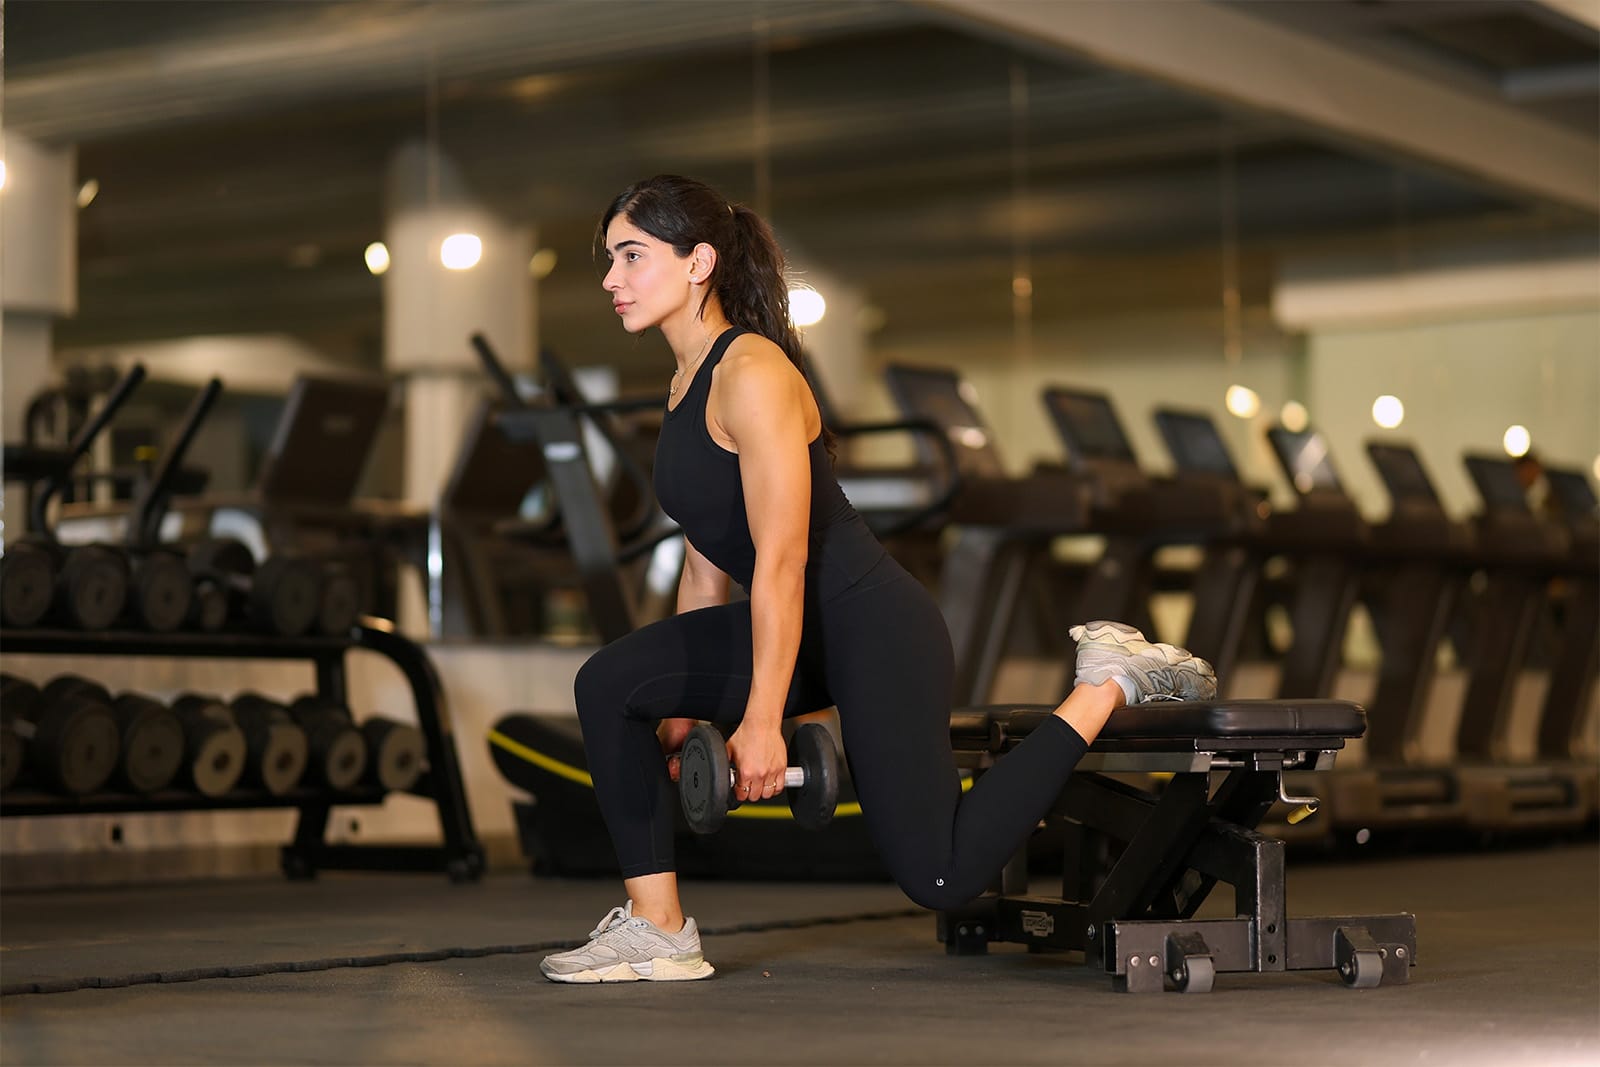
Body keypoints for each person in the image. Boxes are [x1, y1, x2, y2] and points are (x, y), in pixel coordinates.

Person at [540, 175, 1217, 983]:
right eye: (609, 259)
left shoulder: (752, 373)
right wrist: (684, 709)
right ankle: (660, 927)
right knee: (612, 682)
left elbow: (784, 560)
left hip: (873, 630)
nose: (611, 278)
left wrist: (761, 720)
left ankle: (1104, 683)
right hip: (800, 630)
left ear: (699, 263)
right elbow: (705, 560)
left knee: (940, 875)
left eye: (631, 256)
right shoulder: (687, 384)